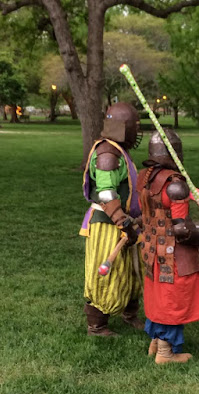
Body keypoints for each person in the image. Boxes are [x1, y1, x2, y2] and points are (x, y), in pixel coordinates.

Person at [137, 128, 199, 364]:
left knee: (159, 296)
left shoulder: (144, 177)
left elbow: (162, 218)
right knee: (172, 299)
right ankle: (167, 352)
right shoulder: (175, 184)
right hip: (172, 255)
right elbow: (181, 231)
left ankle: (156, 343)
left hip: (151, 250)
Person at [80, 102, 145, 336]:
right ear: (124, 127)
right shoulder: (108, 153)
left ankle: (130, 314)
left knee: (131, 271)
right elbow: (106, 193)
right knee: (107, 274)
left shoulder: (118, 149)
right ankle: (97, 325)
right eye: (135, 126)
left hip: (126, 223)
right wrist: (123, 221)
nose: (138, 131)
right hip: (108, 224)